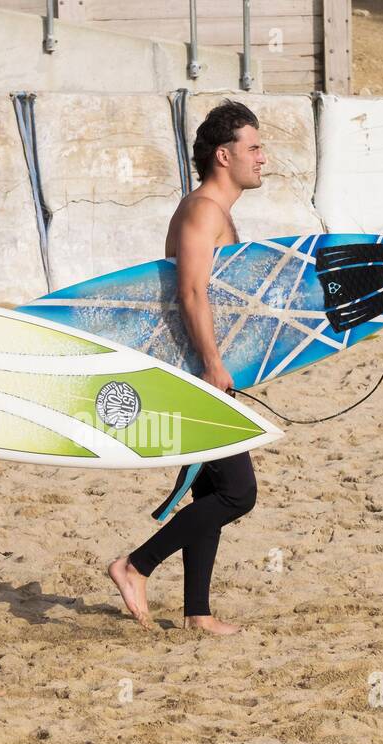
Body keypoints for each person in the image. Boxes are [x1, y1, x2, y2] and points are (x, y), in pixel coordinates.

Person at [109, 101, 265, 636]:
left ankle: (197, 611)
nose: (262, 159)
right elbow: (191, 290)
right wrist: (214, 363)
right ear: (224, 156)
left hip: (206, 364)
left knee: (209, 487)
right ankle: (135, 565)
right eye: (253, 148)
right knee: (237, 492)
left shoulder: (217, 211)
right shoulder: (202, 210)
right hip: (197, 367)